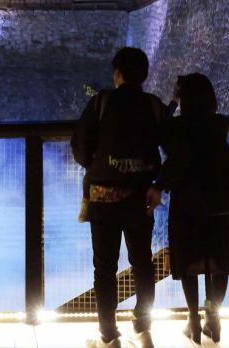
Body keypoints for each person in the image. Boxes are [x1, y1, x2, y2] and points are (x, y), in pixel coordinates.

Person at [72, 47, 166, 348]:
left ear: (118, 74)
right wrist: (159, 183)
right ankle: (143, 328)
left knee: (105, 268)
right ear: (144, 75)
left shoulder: (102, 101)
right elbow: (177, 149)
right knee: (142, 263)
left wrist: (98, 165)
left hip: (103, 198)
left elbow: (79, 146)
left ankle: (109, 336)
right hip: (141, 198)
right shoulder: (153, 106)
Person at [147, 73, 229, 346]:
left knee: (188, 261)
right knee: (218, 260)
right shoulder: (218, 124)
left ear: (184, 98)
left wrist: (173, 102)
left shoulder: (177, 128)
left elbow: (163, 134)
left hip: (187, 201)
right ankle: (213, 316)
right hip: (220, 200)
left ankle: (192, 320)